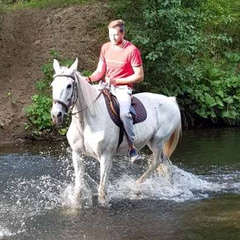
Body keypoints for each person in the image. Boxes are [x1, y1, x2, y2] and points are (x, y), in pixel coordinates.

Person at [84, 19, 144, 162]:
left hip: (123, 88)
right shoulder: (105, 47)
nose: (113, 38)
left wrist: (117, 81)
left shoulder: (132, 50)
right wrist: (88, 79)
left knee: (124, 114)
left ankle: (132, 147)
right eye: (110, 35)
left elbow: (139, 76)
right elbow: (99, 72)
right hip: (105, 86)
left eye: (116, 35)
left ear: (123, 33)